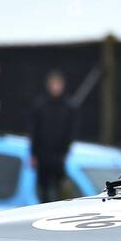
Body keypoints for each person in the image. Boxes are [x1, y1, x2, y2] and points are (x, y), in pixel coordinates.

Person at [30, 70, 77, 202]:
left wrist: (66, 151)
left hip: (59, 153)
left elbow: (70, 131)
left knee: (59, 185)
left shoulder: (69, 107)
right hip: (42, 153)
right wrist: (33, 153)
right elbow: (34, 130)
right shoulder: (40, 105)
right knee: (43, 186)